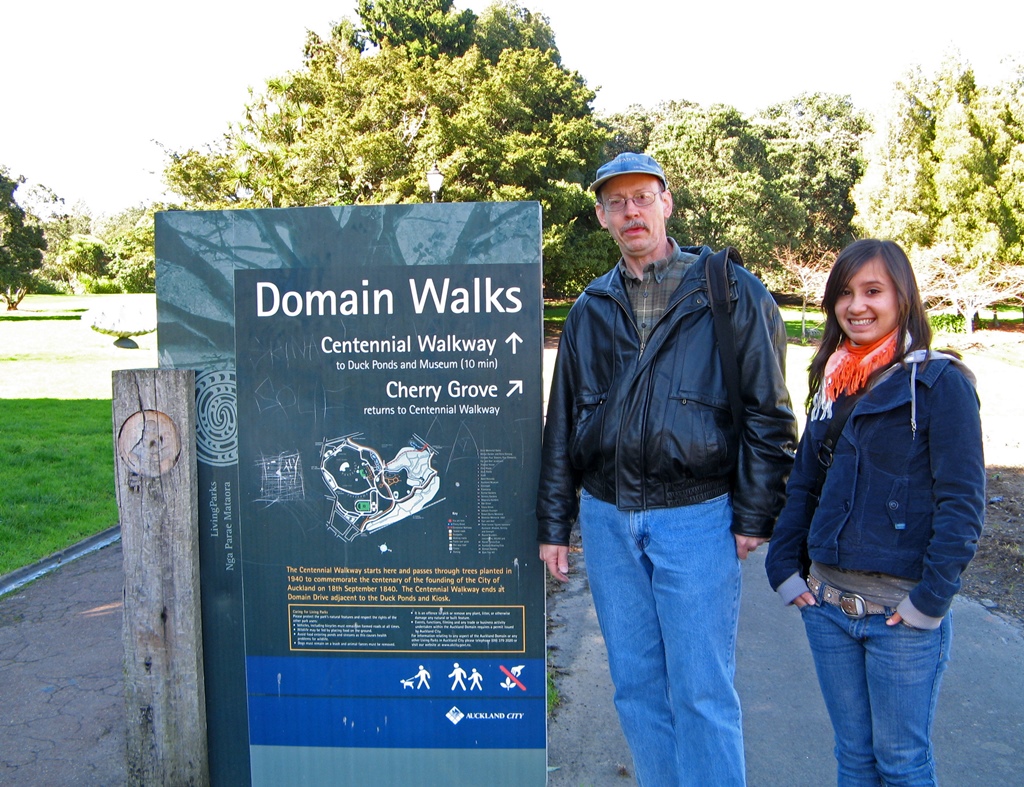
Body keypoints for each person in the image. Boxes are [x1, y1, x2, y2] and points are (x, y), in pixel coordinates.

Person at [537, 151, 798, 786]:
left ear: (667, 203)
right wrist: (554, 522)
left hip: (698, 517)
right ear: (601, 216)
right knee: (636, 686)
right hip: (606, 517)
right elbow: (563, 421)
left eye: (642, 197)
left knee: (703, 692)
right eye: (616, 202)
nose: (631, 211)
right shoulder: (590, 309)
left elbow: (769, 411)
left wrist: (755, 513)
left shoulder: (730, 292)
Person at [765, 238, 985, 786]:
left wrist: (929, 602)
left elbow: (962, 504)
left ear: (902, 297)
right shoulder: (833, 381)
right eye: (844, 293)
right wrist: (784, 570)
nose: (856, 305)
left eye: (872, 291)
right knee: (854, 759)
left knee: (902, 764)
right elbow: (805, 481)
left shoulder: (940, 384)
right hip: (829, 607)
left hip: (900, 617)